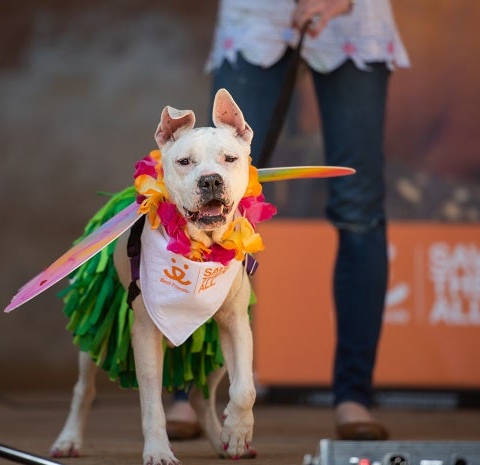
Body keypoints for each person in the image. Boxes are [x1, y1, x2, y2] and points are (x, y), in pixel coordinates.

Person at [167, 0, 409, 441]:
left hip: (356, 21)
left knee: (359, 211)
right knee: (208, 203)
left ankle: (354, 392)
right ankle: (191, 390)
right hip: (255, 16)